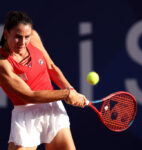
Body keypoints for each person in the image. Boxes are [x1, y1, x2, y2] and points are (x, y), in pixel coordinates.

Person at [0, 11, 87, 150]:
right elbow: (29, 96)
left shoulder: (34, 37)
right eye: (17, 37)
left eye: (26, 37)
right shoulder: (2, 63)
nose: (23, 42)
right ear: (6, 34)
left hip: (52, 110)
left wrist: (72, 90)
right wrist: (66, 94)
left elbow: (51, 67)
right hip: (26, 116)